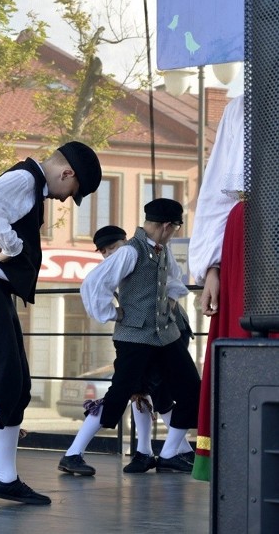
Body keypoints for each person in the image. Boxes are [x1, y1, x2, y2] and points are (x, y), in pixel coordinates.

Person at [0, 142, 102, 515]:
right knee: (1, 382)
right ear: (67, 174)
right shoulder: (26, 178)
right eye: (71, 193)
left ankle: (4, 477)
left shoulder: (29, 182)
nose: (64, 200)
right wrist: (8, 244)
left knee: (18, 384)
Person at [58, 199, 201, 478]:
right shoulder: (129, 252)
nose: (173, 233)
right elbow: (94, 283)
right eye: (174, 228)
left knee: (191, 390)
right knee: (120, 395)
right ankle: (73, 454)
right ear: (166, 226)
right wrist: (112, 313)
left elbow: (174, 279)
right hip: (134, 338)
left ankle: (170, 452)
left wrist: (171, 301)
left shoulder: (162, 251)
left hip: (165, 336)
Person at [187, 94, 249, 481]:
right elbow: (215, 193)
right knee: (247, 339)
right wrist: (211, 265)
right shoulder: (245, 105)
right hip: (250, 233)